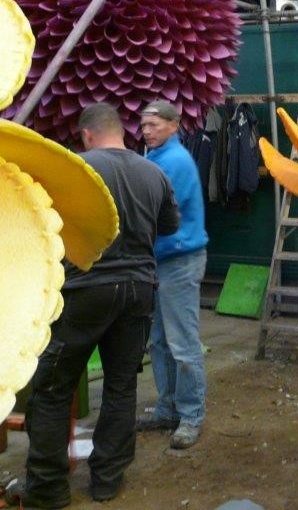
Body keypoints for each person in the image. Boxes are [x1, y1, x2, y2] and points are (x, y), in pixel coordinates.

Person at [9, 103, 179, 508]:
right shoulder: (153, 172)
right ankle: (107, 481)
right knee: (121, 387)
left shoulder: (76, 169)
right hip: (138, 290)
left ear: (87, 135)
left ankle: (48, 490)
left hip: (84, 291)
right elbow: (169, 226)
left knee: (53, 390)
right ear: (121, 131)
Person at [137, 100, 209, 451]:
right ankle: (168, 409)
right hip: (162, 261)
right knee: (160, 342)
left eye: (153, 124)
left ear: (173, 125)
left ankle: (191, 415)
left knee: (182, 343)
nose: (146, 131)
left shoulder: (174, 162)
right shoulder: (154, 157)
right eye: (143, 125)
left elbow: (156, 213)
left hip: (180, 261)